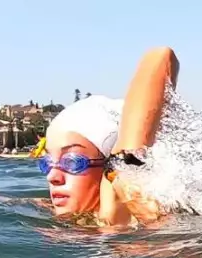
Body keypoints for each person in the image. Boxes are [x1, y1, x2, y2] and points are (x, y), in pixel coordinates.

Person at [41, 46, 179, 227]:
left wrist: (128, 167)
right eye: (47, 163)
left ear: (108, 164)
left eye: (72, 162)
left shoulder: (114, 207)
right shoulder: (64, 214)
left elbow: (160, 57)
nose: (52, 176)